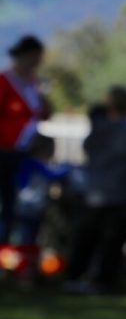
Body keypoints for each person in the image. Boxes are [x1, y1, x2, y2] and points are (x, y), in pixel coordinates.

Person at [65, 88, 126, 292]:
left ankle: (75, 275)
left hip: (94, 190)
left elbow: (87, 149)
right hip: (118, 192)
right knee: (111, 239)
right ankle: (102, 279)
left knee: (87, 236)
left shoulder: (98, 130)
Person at [0, 35, 51, 243]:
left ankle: (17, 249)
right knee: (6, 200)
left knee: (24, 204)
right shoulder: (5, 82)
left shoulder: (34, 84)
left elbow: (44, 113)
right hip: (5, 151)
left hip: (26, 152)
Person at [14, 134, 70, 245]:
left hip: (24, 204)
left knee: (24, 234)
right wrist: (69, 167)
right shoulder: (35, 163)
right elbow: (54, 175)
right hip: (32, 205)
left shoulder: (27, 162)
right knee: (29, 235)